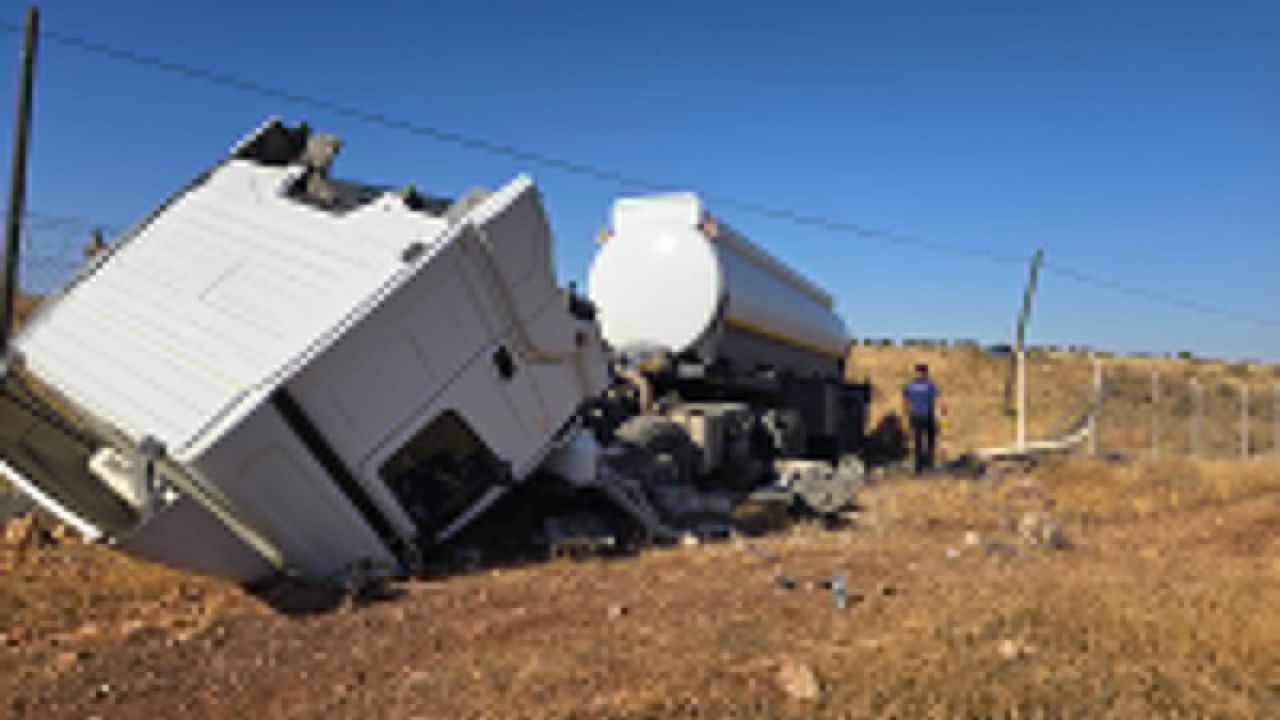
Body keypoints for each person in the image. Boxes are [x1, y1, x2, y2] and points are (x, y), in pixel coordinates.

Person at [902, 364, 945, 474]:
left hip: (927, 416)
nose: (920, 374)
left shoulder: (927, 385)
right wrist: (905, 414)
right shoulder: (915, 386)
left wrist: (940, 414)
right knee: (919, 442)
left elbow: (938, 399)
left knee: (929, 441)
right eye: (919, 372)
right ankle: (919, 466)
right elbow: (905, 401)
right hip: (917, 416)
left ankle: (926, 464)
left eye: (921, 372)